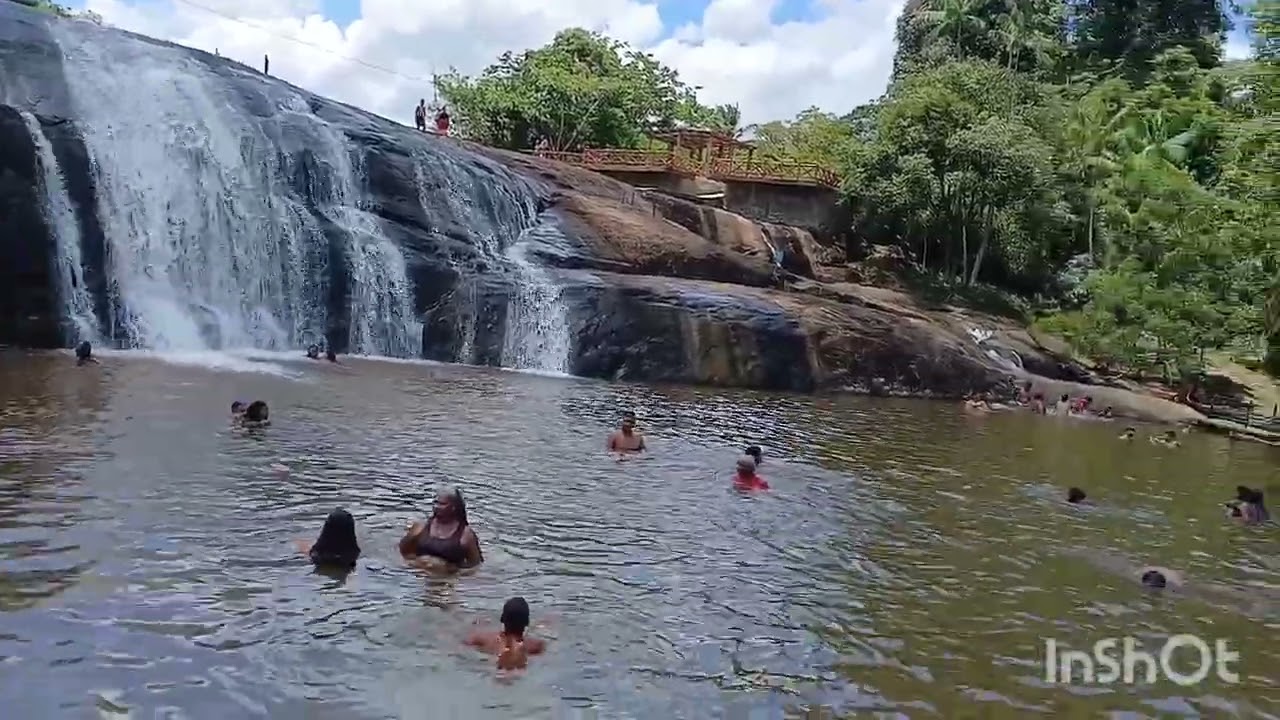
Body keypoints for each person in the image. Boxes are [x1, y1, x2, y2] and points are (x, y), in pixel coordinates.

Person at [398, 487, 483, 569]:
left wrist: (451, 571)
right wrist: (416, 564)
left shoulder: (465, 535)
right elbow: (402, 551)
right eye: (435, 502)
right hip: (420, 576)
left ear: (453, 507)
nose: (436, 506)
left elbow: (475, 566)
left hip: (447, 579)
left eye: (442, 504)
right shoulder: (420, 528)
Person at [466, 597, 547, 670]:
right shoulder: (535, 645)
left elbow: (464, 644)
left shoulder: (482, 638)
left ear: (502, 619)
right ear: (527, 622)